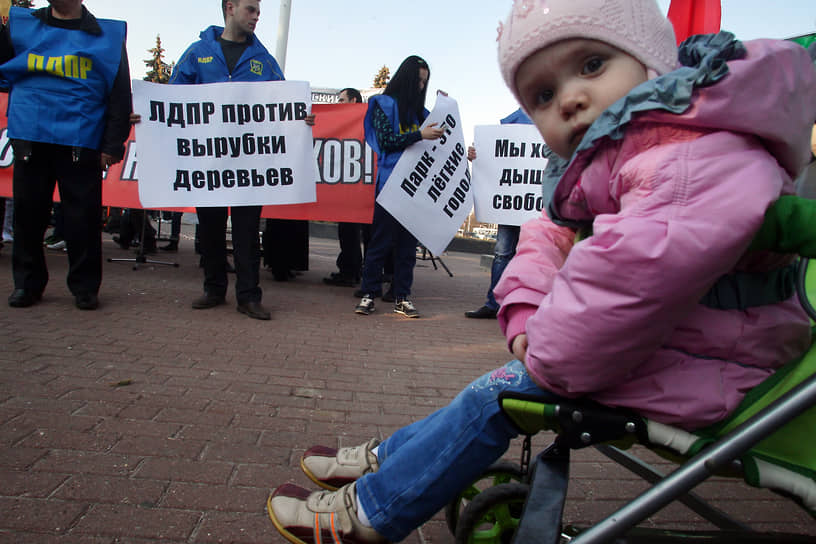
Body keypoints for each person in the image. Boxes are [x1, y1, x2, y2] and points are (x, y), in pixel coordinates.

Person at [266, 0, 816, 542]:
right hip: (683, 350)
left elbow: (621, 287)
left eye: (593, 65)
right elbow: (547, 231)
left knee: (501, 394)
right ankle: (387, 462)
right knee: (498, 386)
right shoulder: (632, 150)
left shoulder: (686, 162)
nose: (571, 99)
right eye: (543, 96)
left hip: (715, 370)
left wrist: (542, 346)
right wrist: (528, 310)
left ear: (654, 62)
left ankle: (373, 511)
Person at [169, 0, 314, 320]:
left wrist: (301, 119)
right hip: (209, 163)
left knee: (248, 231)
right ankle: (213, 288)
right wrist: (148, 115)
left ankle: (249, 296)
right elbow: (172, 100)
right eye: (251, 9)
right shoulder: (197, 53)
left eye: (258, 10)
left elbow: (283, 104)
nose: (257, 16)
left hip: (249, 166)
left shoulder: (264, 59)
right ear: (230, 8)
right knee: (210, 228)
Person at [1, 0, 132, 310]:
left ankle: (85, 288)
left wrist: (112, 146)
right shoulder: (20, 25)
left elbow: (119, 93)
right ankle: (27, 284)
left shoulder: (107, 37)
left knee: (83, 220)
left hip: (80, 141)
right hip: (30, 138)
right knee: (28, 217)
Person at [354, 55, 444, 319]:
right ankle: (369, 292)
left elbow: (441, 145)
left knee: (406, 246)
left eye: (424, 83)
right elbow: (387, 140)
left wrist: (444, 110)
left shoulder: (422, 113)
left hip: (413, 187)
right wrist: (419, 134)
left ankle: (402, 296)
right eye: (417, 80)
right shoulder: (382, 104)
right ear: (405, 78)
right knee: (380, 242)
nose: (420, 86)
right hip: (390, 183)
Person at [465, 108, 533, 319]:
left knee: (529, 254)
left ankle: (521, 306)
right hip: (512, 204)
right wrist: (479, 154)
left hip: (533, 203)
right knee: (503, 253)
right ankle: (495, 303)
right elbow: (498, 157)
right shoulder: (514, 119)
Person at [324, 87, 367, 287]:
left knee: (350, 229)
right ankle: (350, 269)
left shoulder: (365, 120)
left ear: (354, 101)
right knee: (346, 229)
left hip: (357, 186)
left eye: (342, 100)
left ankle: (350, 271)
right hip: (346, 183)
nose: (338, 104)